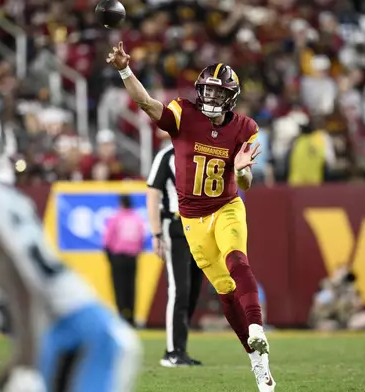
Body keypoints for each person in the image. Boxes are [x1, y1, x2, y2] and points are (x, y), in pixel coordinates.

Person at [0, 101, 141, 392]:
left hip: (76, 340)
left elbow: (21, 287)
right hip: (86, 332)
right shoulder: (3, 198)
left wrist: (24, 366)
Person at [108, 42, 275, 391]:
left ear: (231, 96)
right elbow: (145, 103)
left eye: (218, 91)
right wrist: (125, 69)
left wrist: (242, 171)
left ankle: (257, 327)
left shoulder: (245, 127)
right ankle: (257, 361)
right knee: (226, 292)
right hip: (191, 219)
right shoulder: (184, 114)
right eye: (208, 90)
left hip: (227, 206)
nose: (212, 97)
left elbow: (246, 180)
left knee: (237, 259)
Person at [146, 142, 204, 367]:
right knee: (180, 289)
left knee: (192, 291)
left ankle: (180, 348)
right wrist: (156, 233)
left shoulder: (202, 151)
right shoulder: (166, 155)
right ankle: (172, 352)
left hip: (198, 227)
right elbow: (152, 193)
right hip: (175, 226)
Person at [102, 194, 145, 326]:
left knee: (119, 287)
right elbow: (141, 238)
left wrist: (109, 256)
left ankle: (121, 316)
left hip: (118, 257)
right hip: (132, 257)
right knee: (131, 287)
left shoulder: (116, 218)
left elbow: (107, 239)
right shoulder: (137, 219)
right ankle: (131, 316)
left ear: (121, 203)